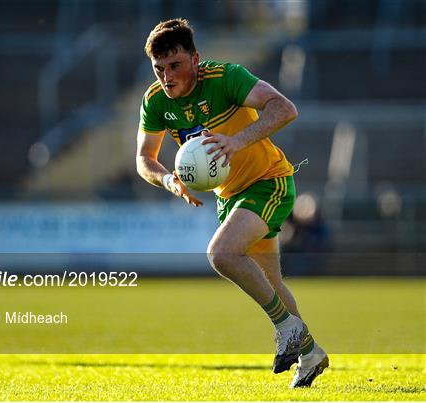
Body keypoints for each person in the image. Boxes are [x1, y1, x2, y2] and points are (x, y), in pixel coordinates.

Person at [135, 18, 329, 388]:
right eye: (159, 69)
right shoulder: (156, 101)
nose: (167, 77)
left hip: (268, 181)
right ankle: (310, 353)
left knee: (220, 254)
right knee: (271, 283)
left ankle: (287, 328)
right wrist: (168, 179)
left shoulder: (226, 78)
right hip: (230, 196)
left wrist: (237, 141)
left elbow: (284, 108)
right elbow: (144, 158)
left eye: (175, 66)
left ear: (195, 59)